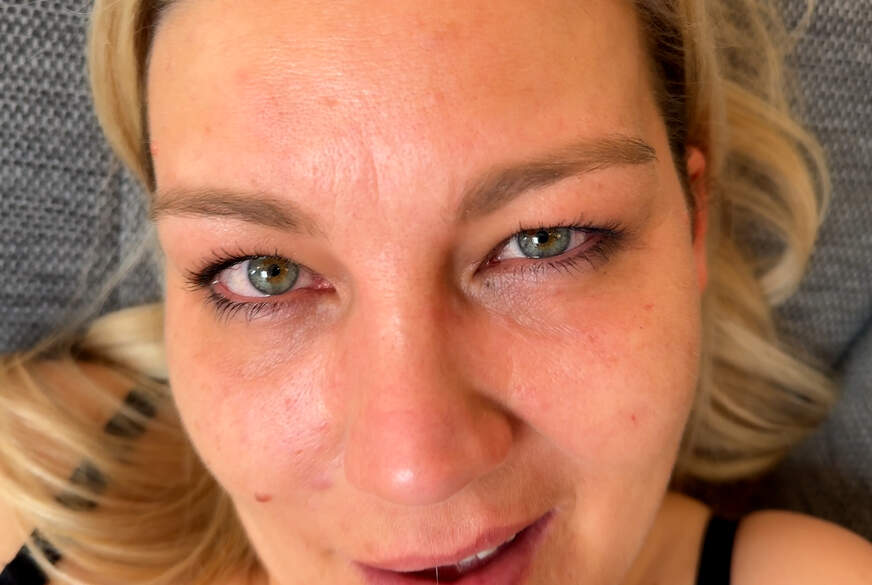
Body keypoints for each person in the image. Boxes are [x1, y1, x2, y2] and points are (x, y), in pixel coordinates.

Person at [1, 0, 871, 584]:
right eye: (266, 273)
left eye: (542, 240)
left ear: (692, 223)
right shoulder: (32, 493)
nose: (414, 469)